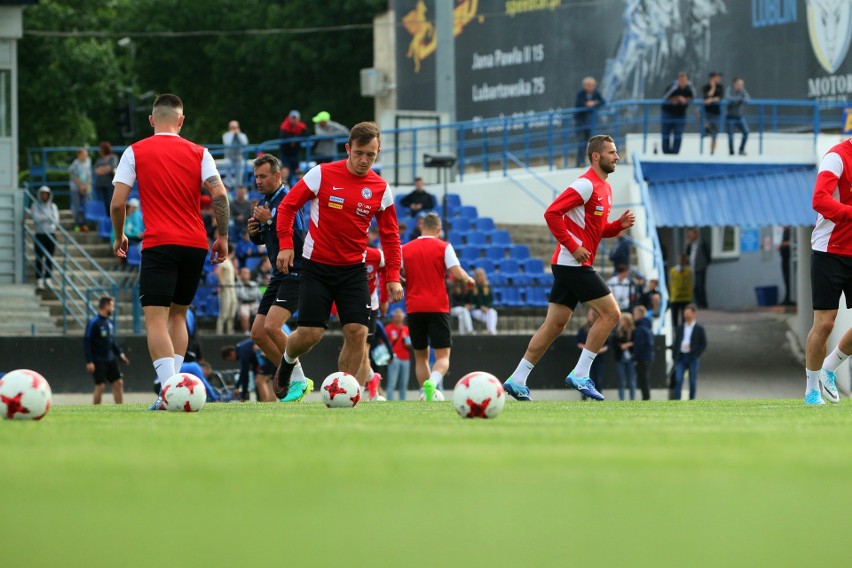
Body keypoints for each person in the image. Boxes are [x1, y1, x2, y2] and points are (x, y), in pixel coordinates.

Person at [110, 93, 230, 411]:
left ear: (152, 120)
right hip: (194, 245)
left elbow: (118, 203)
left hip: (159, 244)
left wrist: (119, 234)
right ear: (180, 121)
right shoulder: (199, 152)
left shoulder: (134, 151)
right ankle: (177, 390)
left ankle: (169, 391)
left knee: (155, 321)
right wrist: (223, 236)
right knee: (179, 314)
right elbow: (219, 194)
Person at [272, 121, 404, 398]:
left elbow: (391, 236)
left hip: (354, 269)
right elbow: (287, 207)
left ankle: (342, 391)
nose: (364, 160)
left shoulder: (381, 188)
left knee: (357, 332)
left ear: (378, 152)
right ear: (348, 149)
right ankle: (287, 362)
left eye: (371, 154)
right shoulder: (321, 174)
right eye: (359, 153)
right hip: (316, 267)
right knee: (310, 334)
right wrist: (286, 245)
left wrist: (392, 276)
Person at [503, 134, 635, 401]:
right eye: (611, 152)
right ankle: (581, 374)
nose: (617, 157)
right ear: (596, 156)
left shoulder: (605, 188)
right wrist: (573, 246)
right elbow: (552, 213)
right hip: (572, 263)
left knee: (555, 325)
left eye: (616, 152)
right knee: (612, 314)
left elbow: (595, 231)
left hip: (570, 264)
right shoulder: (585, 184)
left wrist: (616, 226)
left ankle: (517, 379)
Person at [247, 153, 313, 402]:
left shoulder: (288, 200)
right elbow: (270, 239)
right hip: (279, 274)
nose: (258, 181)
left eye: (263, 176)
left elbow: (299, 239)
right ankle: (292, 377)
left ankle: (298, 379)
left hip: (296, 272)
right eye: (256, 176)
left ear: (278, 175)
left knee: (272, 326)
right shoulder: (267, 202)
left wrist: (271, 220)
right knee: (257, 334)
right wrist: (255, 232)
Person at [402, 212, 475, 400]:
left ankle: (425, 395)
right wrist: (468, 279)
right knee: (443, 358)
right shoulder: (444, 247)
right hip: (437, 308)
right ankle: (432, 383)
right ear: (439, 229)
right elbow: (457, 273)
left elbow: (396, 273)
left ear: (421, 226)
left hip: (414, 308)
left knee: (420, 357)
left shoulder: (405, 248)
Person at [804, 137, 852, 406]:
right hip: (829, 251)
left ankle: (828, 368)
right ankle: (811, 390)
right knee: (825, 323)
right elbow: (819, 200)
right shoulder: (836, 156)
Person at [84, 296, 129, 405]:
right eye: (112, 306)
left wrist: (120, 354)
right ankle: (96, 410)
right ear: (106, 306)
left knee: (118, 382)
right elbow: (86, 342)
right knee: (100, 385)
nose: (113, 309)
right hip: (98, 360)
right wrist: (89, 361)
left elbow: (111, 341)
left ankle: (120, 408)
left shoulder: (109, 323)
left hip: (110, 358)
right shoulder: (94, 322)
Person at [672, 303, 707, 400]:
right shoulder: (680, 328)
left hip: (692, 358)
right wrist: (675, 356)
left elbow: (703, 344)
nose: (686, 315)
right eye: (685, 313)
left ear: (694, 314)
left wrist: (696, 354)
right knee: (678, 379)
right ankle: (676, 401)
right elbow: (676, 342)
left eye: (688, 313)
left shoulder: (699, 329)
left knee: (692, 381)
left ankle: (691, 400)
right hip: (681, 357)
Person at [575, 309, 609, 398]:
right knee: (584, 378)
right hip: (586, 358)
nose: (589, 316)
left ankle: (597, 396)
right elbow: (578, 343)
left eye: (590, 314)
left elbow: (607, 345)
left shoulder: (602, 328)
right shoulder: (583, 329)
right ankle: (584, 397)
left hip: (598, 359)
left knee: (598, 379)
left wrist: (596, 350)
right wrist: (590, 350)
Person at [660, 72, 696, 155]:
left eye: (685, 79)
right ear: (678, 79)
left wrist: (685, 99)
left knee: (678, 134)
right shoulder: (673, 86)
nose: (683, 81)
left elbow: (693, 96)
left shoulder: (689, 87)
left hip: (680, 114)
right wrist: (676, 97)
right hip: (668, 113)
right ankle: (666, 154)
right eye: (681, 79)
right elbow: (664, 97)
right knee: (666, 134)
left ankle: (674, 154)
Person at [31, 185, 59, 290]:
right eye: (42, 194)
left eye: (46, 194)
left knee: (49, 257)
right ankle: (39, 279)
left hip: (51, 234)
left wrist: (44, 218)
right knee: (39, 257)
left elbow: (55, 221)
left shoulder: (53, 206)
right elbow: (36, 218)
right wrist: (48, 218)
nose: (44, 196)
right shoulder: (35, 205)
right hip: (40, 234)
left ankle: (48, 278)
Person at [574, 76, 605, 167]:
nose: (591, 87)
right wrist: (586, 104)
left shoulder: (595, 93)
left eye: (593, 85)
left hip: (590, 122)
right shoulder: (581, 93)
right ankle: (580, 162)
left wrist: (594, 103)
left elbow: (603, 101)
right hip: (581, 122)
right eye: (589, 85)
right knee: (581, 142)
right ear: (585, 86)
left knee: (591, 143)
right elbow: (578, 104)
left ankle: (592, 162)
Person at [384, 308, 412, 400]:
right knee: (392, 382)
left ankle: (402, 401)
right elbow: (383, 343)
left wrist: (408, 343)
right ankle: (390, 401)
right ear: (393, 317)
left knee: (403, 383)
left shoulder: (406, 329)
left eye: (400, 316)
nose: (398, 318)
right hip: (394, 358)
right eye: (397, 316)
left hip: (406, 358)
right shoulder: (388, 328)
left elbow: (410, 344)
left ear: (403, 318)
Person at [632, 305, 655, 401]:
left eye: (635, 313)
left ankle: (646, 398)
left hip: (643, 358)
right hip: (649, 357)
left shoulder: (640, 328)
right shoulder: (647, 326)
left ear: (640, 314)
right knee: (645, 378)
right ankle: (646, 397)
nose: (634, 316)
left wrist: (635, 359)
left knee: (643, 379)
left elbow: (639, 346)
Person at [611, 312, 636, 401]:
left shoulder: (633, 331)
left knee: (631, 381)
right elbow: (614, 344)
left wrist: (628, 344)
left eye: (622, 320)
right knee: (621, 381)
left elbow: (636, 344)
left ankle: (632, 400)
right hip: (620, 358)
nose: (620, 322)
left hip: (630, 359)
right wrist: (622, 346)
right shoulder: (617, 332)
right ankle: (621, 400)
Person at [279, 110, 308, 183]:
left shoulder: (301, 126)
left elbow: (307, 134)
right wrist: (294, 139)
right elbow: (283, 136)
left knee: (297, 171)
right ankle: (286, 186)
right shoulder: (285, 126)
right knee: (286, 172)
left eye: (295, 118)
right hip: (285, 153)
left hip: (295, 152)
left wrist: (295, 140)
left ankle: (298, 186)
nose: (294, 120)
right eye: (292, 118)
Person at [684, 228, 711, 308]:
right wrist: (688, 245)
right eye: (689, 235)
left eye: (691, 234)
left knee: (700, 286)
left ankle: (703, 304)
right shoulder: (691, 244)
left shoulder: (701, 242)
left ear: (695, 234)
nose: (690, 236)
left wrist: (705, 264)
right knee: (694, 287)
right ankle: (698, 304)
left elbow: (708, 254)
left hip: (700, 268)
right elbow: (687, 253)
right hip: (692, 268)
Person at [215, 243, 237, 335]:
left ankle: (229, 331)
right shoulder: (224, 260)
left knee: (232, 310)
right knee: (224, 311)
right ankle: (219, 332)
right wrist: (222, 282)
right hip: (226, 289)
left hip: (232, 288)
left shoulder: (230, 261)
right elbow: (217, 271)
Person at [725, 77, 750, 156]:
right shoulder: (729, 90)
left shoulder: (742, 91)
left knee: (746, 132)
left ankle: (741, 150)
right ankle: (731, 152)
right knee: (731, 136)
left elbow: (747, 99)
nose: (741, 86)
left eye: (742, 85)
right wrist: (739, 99)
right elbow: (729, 99)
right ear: (734, 84)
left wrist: (739, 100)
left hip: (739, 116)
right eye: (739, 84)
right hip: (730, 117)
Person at [69, 147, 91, 232]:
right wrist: (80, 186)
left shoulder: (88, 163)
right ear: (79, 155)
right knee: (77, 207)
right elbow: (74, 177)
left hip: (85, 189)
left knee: (85, 207)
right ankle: (77, 225)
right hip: (75, 188)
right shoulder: (74, 164)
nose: (86, 156)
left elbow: (89, 176)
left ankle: (84, 224)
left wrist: (85, 187)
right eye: (84, 154)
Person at [669, 254, 693, 330]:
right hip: (675, 297)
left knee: (685, 316)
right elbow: (670, 283)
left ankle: (684, 330)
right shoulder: (673, 271)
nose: (681, 261)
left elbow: (691, 282)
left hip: (685, 297)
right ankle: (676, 330)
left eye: (683, 259)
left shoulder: (688, 271)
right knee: (674, 317)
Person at [470, 267, 498, 335]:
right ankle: (492, 333)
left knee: (493, 313)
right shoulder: (472, 287)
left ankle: (491, 332)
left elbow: (491, 301)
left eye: (481, 275)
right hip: (476, 311)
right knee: (490, 317)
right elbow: (471, 302)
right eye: (477, 275)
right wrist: (480, 307)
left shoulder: (487, 286)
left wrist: (486, 307)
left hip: (486, 310)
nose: (479, 277)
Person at [701, 72, 723, 155]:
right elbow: (706, 97)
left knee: (715, 134)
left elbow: (719, 98)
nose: (719, 79)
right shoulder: (706, 87)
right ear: (712, 78)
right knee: (706, 124)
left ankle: (712, 152)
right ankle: (706, 130)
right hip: (706, 111)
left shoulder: (720, 87)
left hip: (716, 113)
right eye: (717, 77)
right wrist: (713, 87)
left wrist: (711, 100)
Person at [222, 120, 248, 190]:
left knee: (241, 168)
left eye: (235, 127)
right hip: (229, 158)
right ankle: (228, 185)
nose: (234, 129)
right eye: (232, 128)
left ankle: (239, 186)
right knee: (227, 164)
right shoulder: (226, 135)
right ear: (229, 128)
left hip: (239, 158)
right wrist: (232, 134)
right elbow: (227, 144)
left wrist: (238, 135)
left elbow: (245, 144)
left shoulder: (242, 135)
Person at [234, 267, 261, 334]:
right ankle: (246, 333)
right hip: (243, 304)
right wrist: (250, 295)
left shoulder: (254, 284)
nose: (247, 275)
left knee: (261, 314)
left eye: (248, 273)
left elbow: (258, 295)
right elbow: (242, 296)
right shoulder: (237, 284)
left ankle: (258, 332)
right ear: (240, 275)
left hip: (254, 303)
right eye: (244, 273)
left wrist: (248, 295)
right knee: (244, 315)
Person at [93, 141, 118, 212]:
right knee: (101, 203)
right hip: (99, 185)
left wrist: (101, 169)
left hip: (109, 184)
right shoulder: (99, 159)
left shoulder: (113, 157)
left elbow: (111, 167)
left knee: (109, 202)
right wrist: (106, 169)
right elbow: (96, 170)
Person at [779, 226, 793, 305]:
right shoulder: (785, 231)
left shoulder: (790, 231)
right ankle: (787, 297)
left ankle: (789, 298)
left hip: (789, 261)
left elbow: (792, 242)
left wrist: (783, 244)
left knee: (789, 280)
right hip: (784, 260)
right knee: (786, 280)